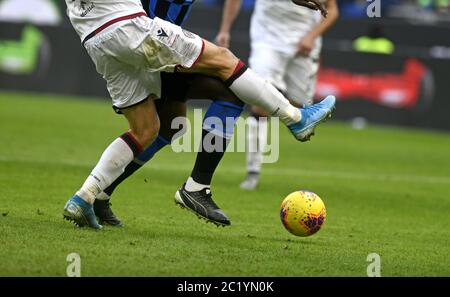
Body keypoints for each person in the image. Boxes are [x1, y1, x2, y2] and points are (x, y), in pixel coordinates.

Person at [62, 0, 336, 229]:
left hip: (97, 40)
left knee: (149, 130)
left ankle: (88, 196)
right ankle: (294, 119)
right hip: (137, 31)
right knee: (225, 67)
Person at [215, 0, 339, 190]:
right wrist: (225, 29)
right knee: (260, 102)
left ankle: (297, 118)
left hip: (304, 43)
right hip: (268, 40)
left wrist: (312, 36)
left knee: (299, 107)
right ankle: (253, 172)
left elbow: (332, 9)